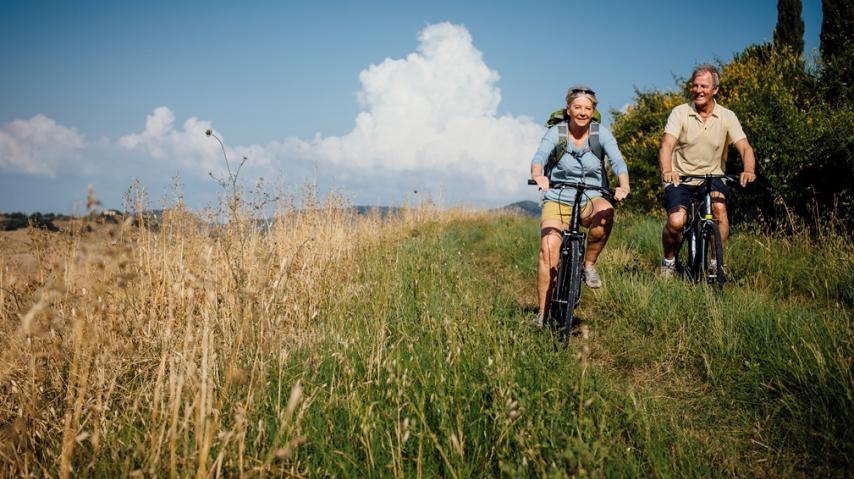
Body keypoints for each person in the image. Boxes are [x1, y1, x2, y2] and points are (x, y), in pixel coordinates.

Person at [530, 85, 630, 327]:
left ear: (593, 111)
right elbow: (540, 156)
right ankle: (542, 315)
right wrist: (539, 175)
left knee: (606, 212)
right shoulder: (558, 132)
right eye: (578, 107)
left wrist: (623, 185)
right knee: (548, 249)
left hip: (591, 196)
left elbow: (618, 161)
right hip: (559, 197)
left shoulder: (600, 134)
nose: (583, 112)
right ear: (569, 109)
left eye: (588, 108)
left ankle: (589, 265)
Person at [658, 64, 756, 277]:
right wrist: (667, 169)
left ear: (715, 90)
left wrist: (748, 168)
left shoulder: (727, 116)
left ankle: (715, 261)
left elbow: (745, 147)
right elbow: (666, 145)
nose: (698, 90)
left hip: (712, 177)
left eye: (704, 86)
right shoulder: (680, 113)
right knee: (676, 222)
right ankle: (668, 262)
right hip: (680, 178)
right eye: (695, 85)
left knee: (719, 210)